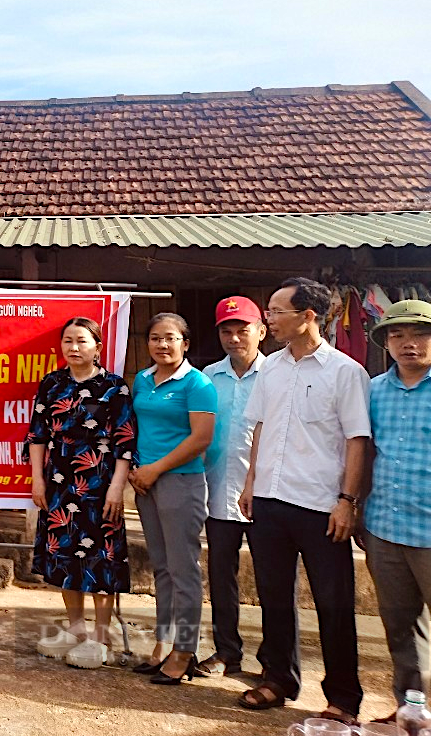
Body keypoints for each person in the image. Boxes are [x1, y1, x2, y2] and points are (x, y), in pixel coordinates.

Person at [237, 277, 370, 725]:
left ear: (307, 316)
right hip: (270, 500)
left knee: (334, 603)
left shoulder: (346, 372)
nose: (268, 319)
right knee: (274, 597)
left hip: (321, 505)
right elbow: (259, 428)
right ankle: (278, 679)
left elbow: (357, 440)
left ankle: (343, 698)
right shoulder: (270, 367)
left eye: (275, 312)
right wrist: (250, 482)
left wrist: (347, 500)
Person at [25, 317, 136, 668]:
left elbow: (125, 441)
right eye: (68, 341)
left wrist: (118, 487)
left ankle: (101, 638)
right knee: (63, 554)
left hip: (101, 484)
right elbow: (38, 435)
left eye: (82, 341)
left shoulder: (114, 387)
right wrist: (37, 480)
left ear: (98, 347)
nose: (74, 348)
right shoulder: (52, 384)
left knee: (100, 557)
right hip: (58, 482)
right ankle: (75, 629)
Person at [129, 312, 216, 685]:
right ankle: (163, 643)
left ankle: (185, 649)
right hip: (146, 483)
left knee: (183, 571)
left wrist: (155, 468)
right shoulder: (142, 380)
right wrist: (138, 471)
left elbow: (201, 439)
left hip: (180, 483)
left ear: (185, 343)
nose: (162, 345)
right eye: (154, 338)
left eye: (170, 338)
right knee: (161, 567)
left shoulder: (197, 384)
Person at [361, 300, 431, 725]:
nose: (409, 343)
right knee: (401, 627)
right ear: (386, 342)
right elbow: (363, 451)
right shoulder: (373, 391)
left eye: (420, 334)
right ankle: (412, 710)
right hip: (385, 528)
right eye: (398, 335)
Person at [198, 296, 267, 676]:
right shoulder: (209, 376)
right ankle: (227, 652)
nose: (235, 337)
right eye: (227, 330)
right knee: (221, 578)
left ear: (261, 331)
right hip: (218, 490)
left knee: (272, 581)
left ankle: (273, 662)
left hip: (267, 496)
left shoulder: (276, 375)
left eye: (243, 329)